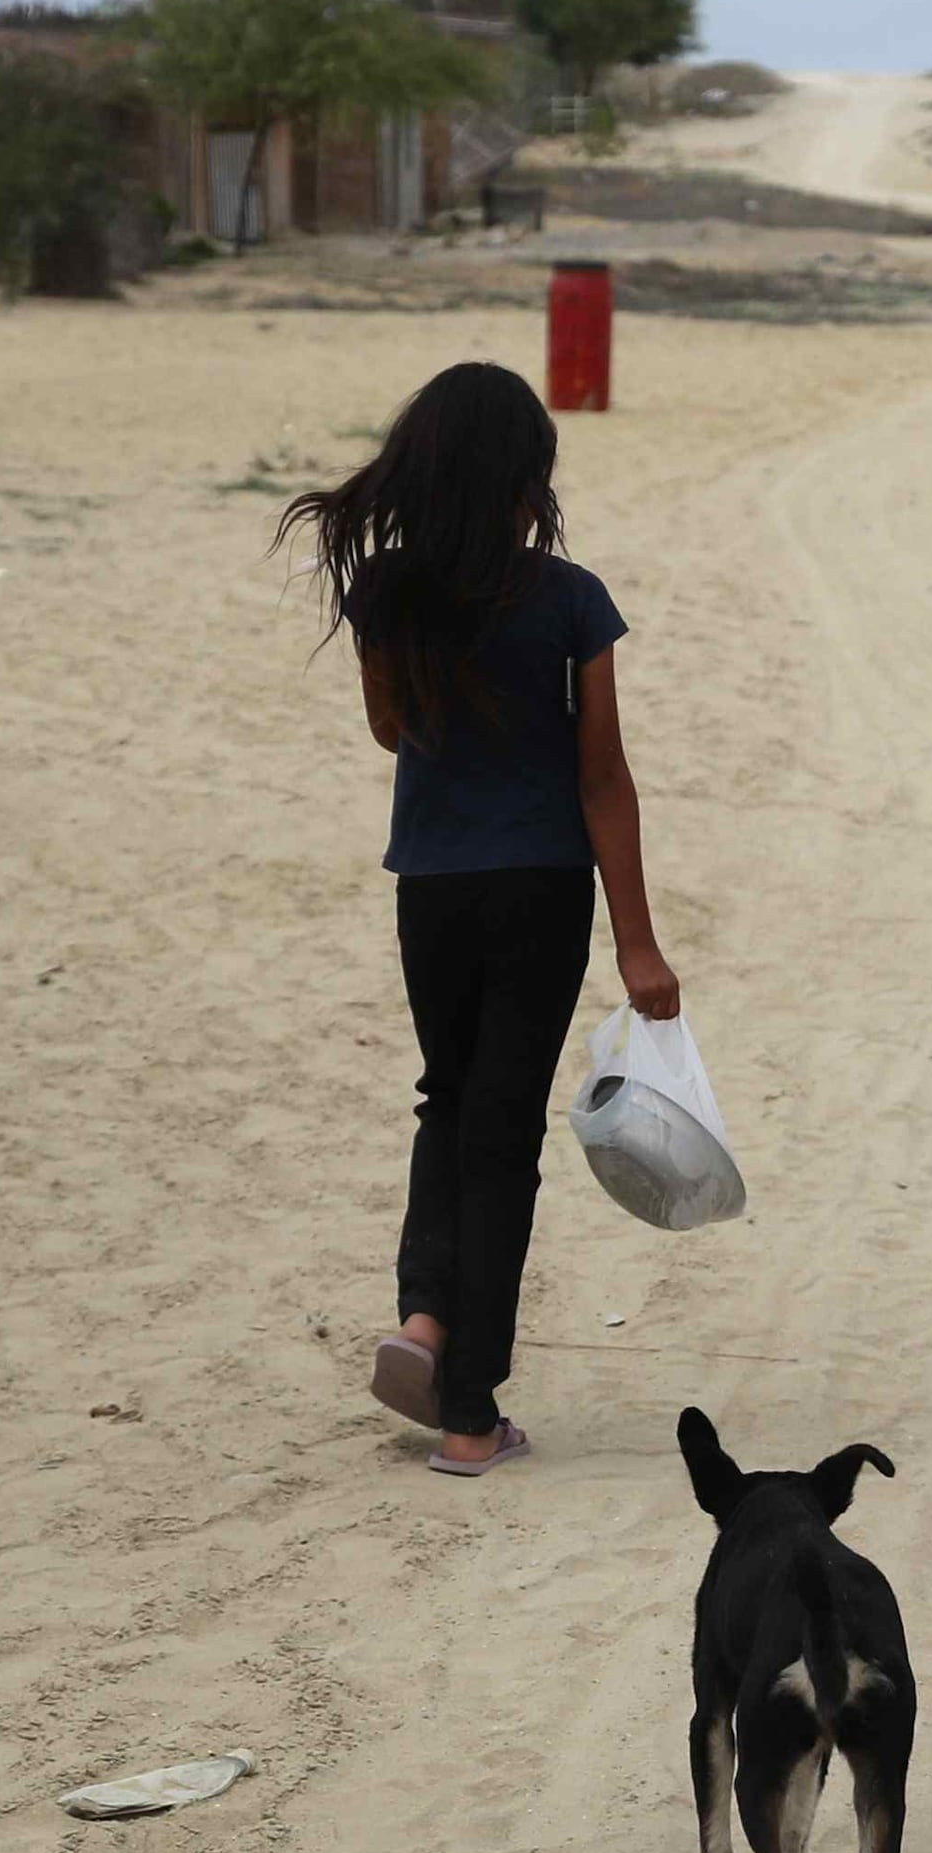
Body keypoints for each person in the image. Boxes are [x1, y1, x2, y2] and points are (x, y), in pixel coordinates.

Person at [283, 361, 683, 1475]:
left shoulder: (386, 594)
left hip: (432, 888)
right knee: (502, 1136)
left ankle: (422, 1318)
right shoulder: (567, 600)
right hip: (541, 887)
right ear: (524, 479)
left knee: (447, 1102)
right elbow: (604, 778)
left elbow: (389, 731)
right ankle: (468, 1415)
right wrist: (637, 941)